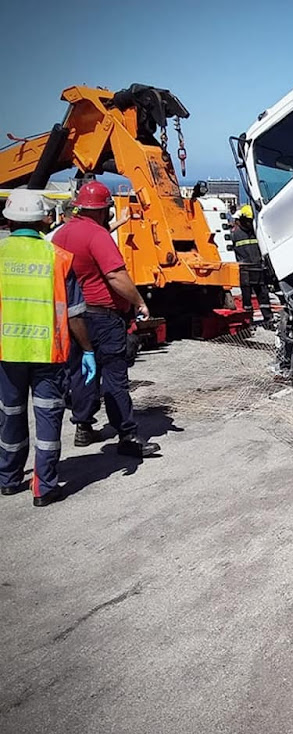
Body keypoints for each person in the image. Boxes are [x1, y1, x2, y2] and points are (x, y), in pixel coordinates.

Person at [0, 189, 97, 507]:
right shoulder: (57, 258)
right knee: (47, 419)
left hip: (6, 351)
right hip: (48, 353)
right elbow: (74, 314)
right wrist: (88, 350)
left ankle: (9, 479)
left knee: (10, 416)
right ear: (43, 219)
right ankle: (44, 487)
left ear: (9, 218)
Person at [53, 181, 160, 458]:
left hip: (73, 316)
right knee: (114, 376)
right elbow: (115, 275)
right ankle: (126, 435)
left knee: (83, 373)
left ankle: (84, 426)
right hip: (103, 317)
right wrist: (139, 301)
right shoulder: (97, 236)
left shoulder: (61, 235)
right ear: (103, 210)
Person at [231, 204, 272, 324]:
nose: (249, 223)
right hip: (245, 270)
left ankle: (268, 318)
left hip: (258, 267)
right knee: (247, 298)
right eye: (248, 221)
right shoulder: (235, 235)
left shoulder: (257, 232)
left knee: (263, 295)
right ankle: (248, 320)